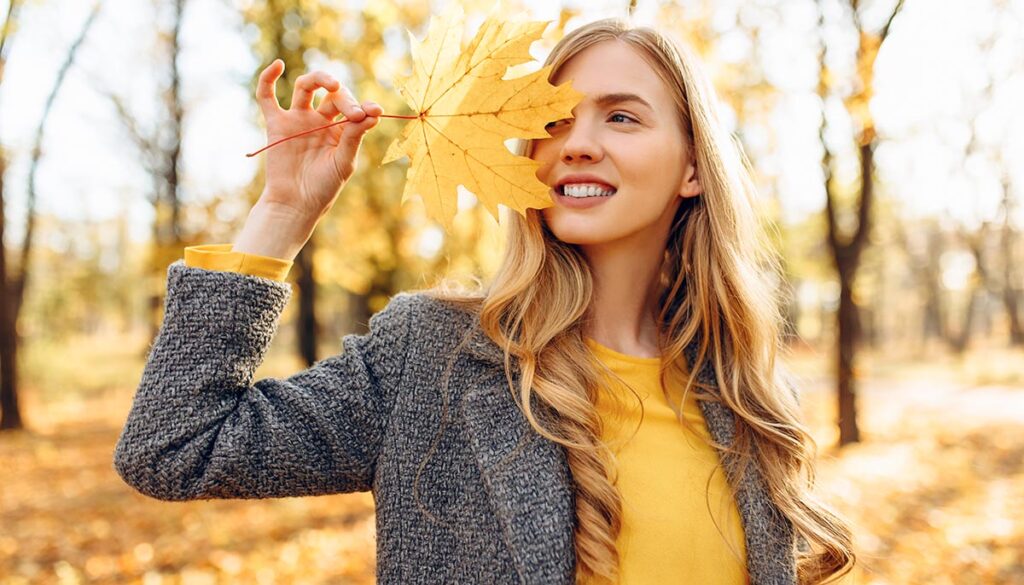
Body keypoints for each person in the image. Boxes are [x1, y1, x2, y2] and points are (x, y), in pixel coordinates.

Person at [114, 17, 854, 585]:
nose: (577, 143)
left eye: (621, 117)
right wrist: (283, 211)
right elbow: (175, 446)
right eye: (553, 121)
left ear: (693, 167)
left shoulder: (747, 396)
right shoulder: (433, 355)